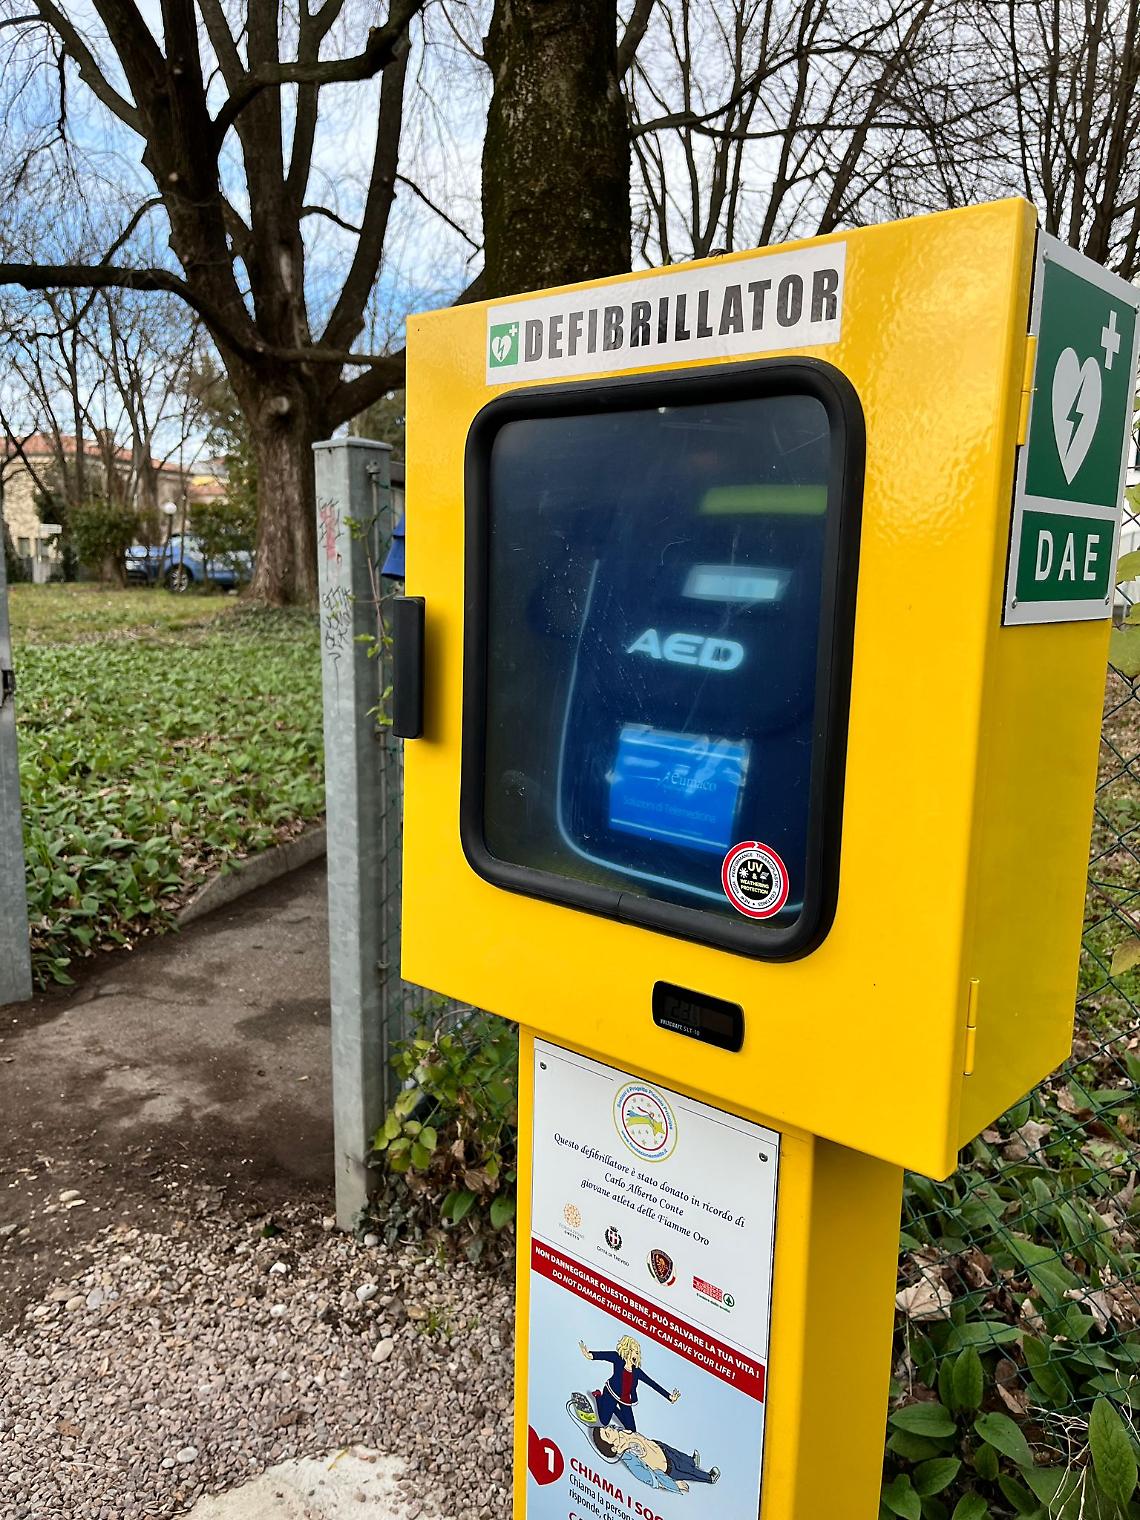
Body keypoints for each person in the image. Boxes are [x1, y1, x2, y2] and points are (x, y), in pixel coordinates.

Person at [578, 1335, 680, 1431]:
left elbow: (652, 1384)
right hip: (611, 1393)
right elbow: (604, 1355)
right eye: (633, 1351)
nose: (635, 1355)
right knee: (604, 1421)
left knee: (632, 1430)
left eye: (637, 1352)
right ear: (627, 1350)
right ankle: (599, 1396)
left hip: (625, 1400)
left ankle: (612, 1408)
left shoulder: (637, 1371)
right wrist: (589, 1354)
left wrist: (669, 1397)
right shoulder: (618, 1358)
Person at [590, 1425, 720, 1494]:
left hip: (661, 1448)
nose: (608, 1429)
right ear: (613, 1447)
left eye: (605, 1428)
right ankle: (709, 1478)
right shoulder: (628, 1456)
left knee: (682, 1458)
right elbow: (645, 1476)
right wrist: (675, 1485)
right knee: (689, 1472)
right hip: (667, 1466)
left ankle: (692, 1461)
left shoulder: (622, 1433)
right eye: (607, 1433)